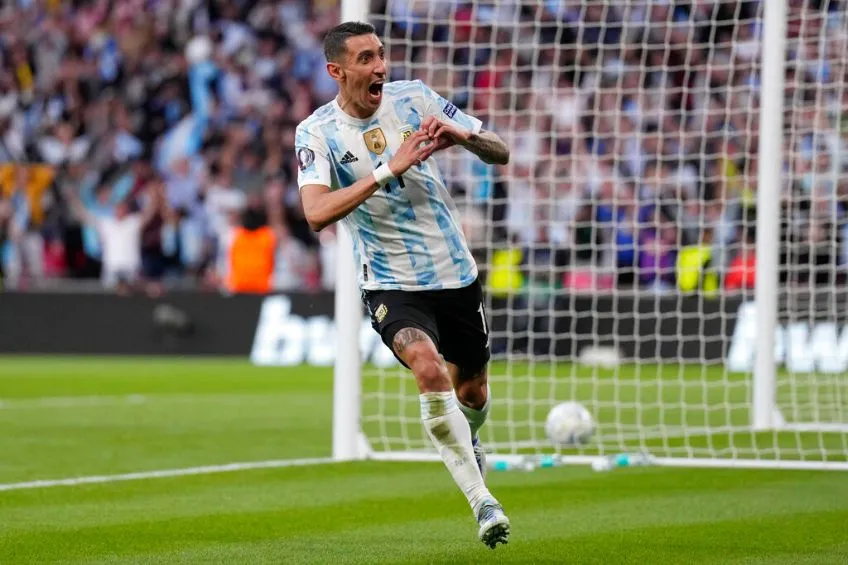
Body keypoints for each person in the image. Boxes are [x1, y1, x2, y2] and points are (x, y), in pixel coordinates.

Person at [295, 21, 511, 548]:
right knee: (427, 366)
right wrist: (387, 170)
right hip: (390, 282)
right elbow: (317, 213)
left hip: (453, 273)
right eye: (366, 59)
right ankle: (482, 502)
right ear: (336, 71)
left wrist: (468, 136)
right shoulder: (315, 133)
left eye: (381, 55)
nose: (380, 67)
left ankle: (470, 440)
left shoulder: (414, 98)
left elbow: (500, 151)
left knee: (473, 391)